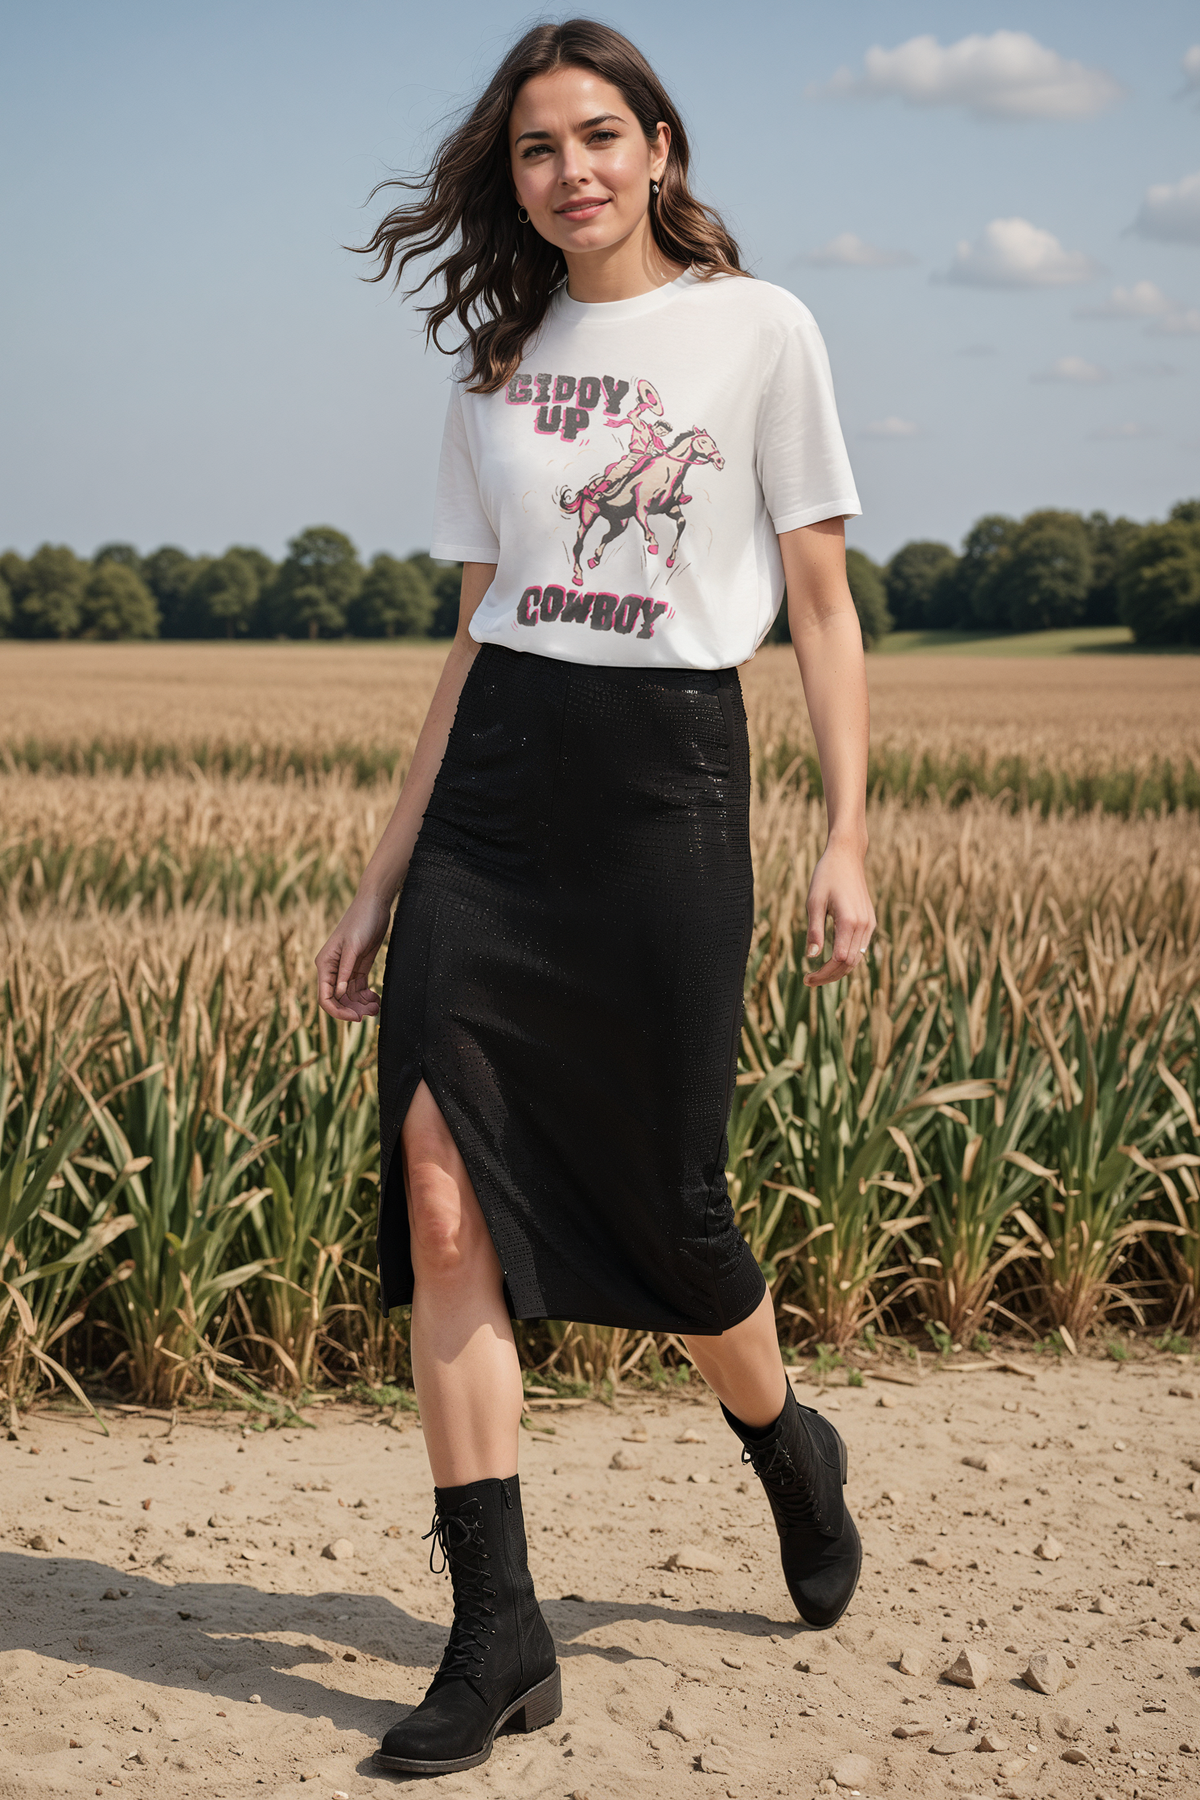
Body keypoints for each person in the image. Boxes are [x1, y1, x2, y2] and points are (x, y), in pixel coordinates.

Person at [316, 17, 876, 1780]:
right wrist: (386, 867)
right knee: (441, 1185)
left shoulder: (759, 328)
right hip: (496, 797)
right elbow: (476, 624)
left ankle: (786, 1437)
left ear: (660, 147)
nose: (570, 169)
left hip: (666, 792)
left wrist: (849, 834)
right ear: (517, 178)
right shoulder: (497, 361)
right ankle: (497, 1634)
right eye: (538, 147)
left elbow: (821, 606)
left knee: (673, 1196)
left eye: (599, 135)